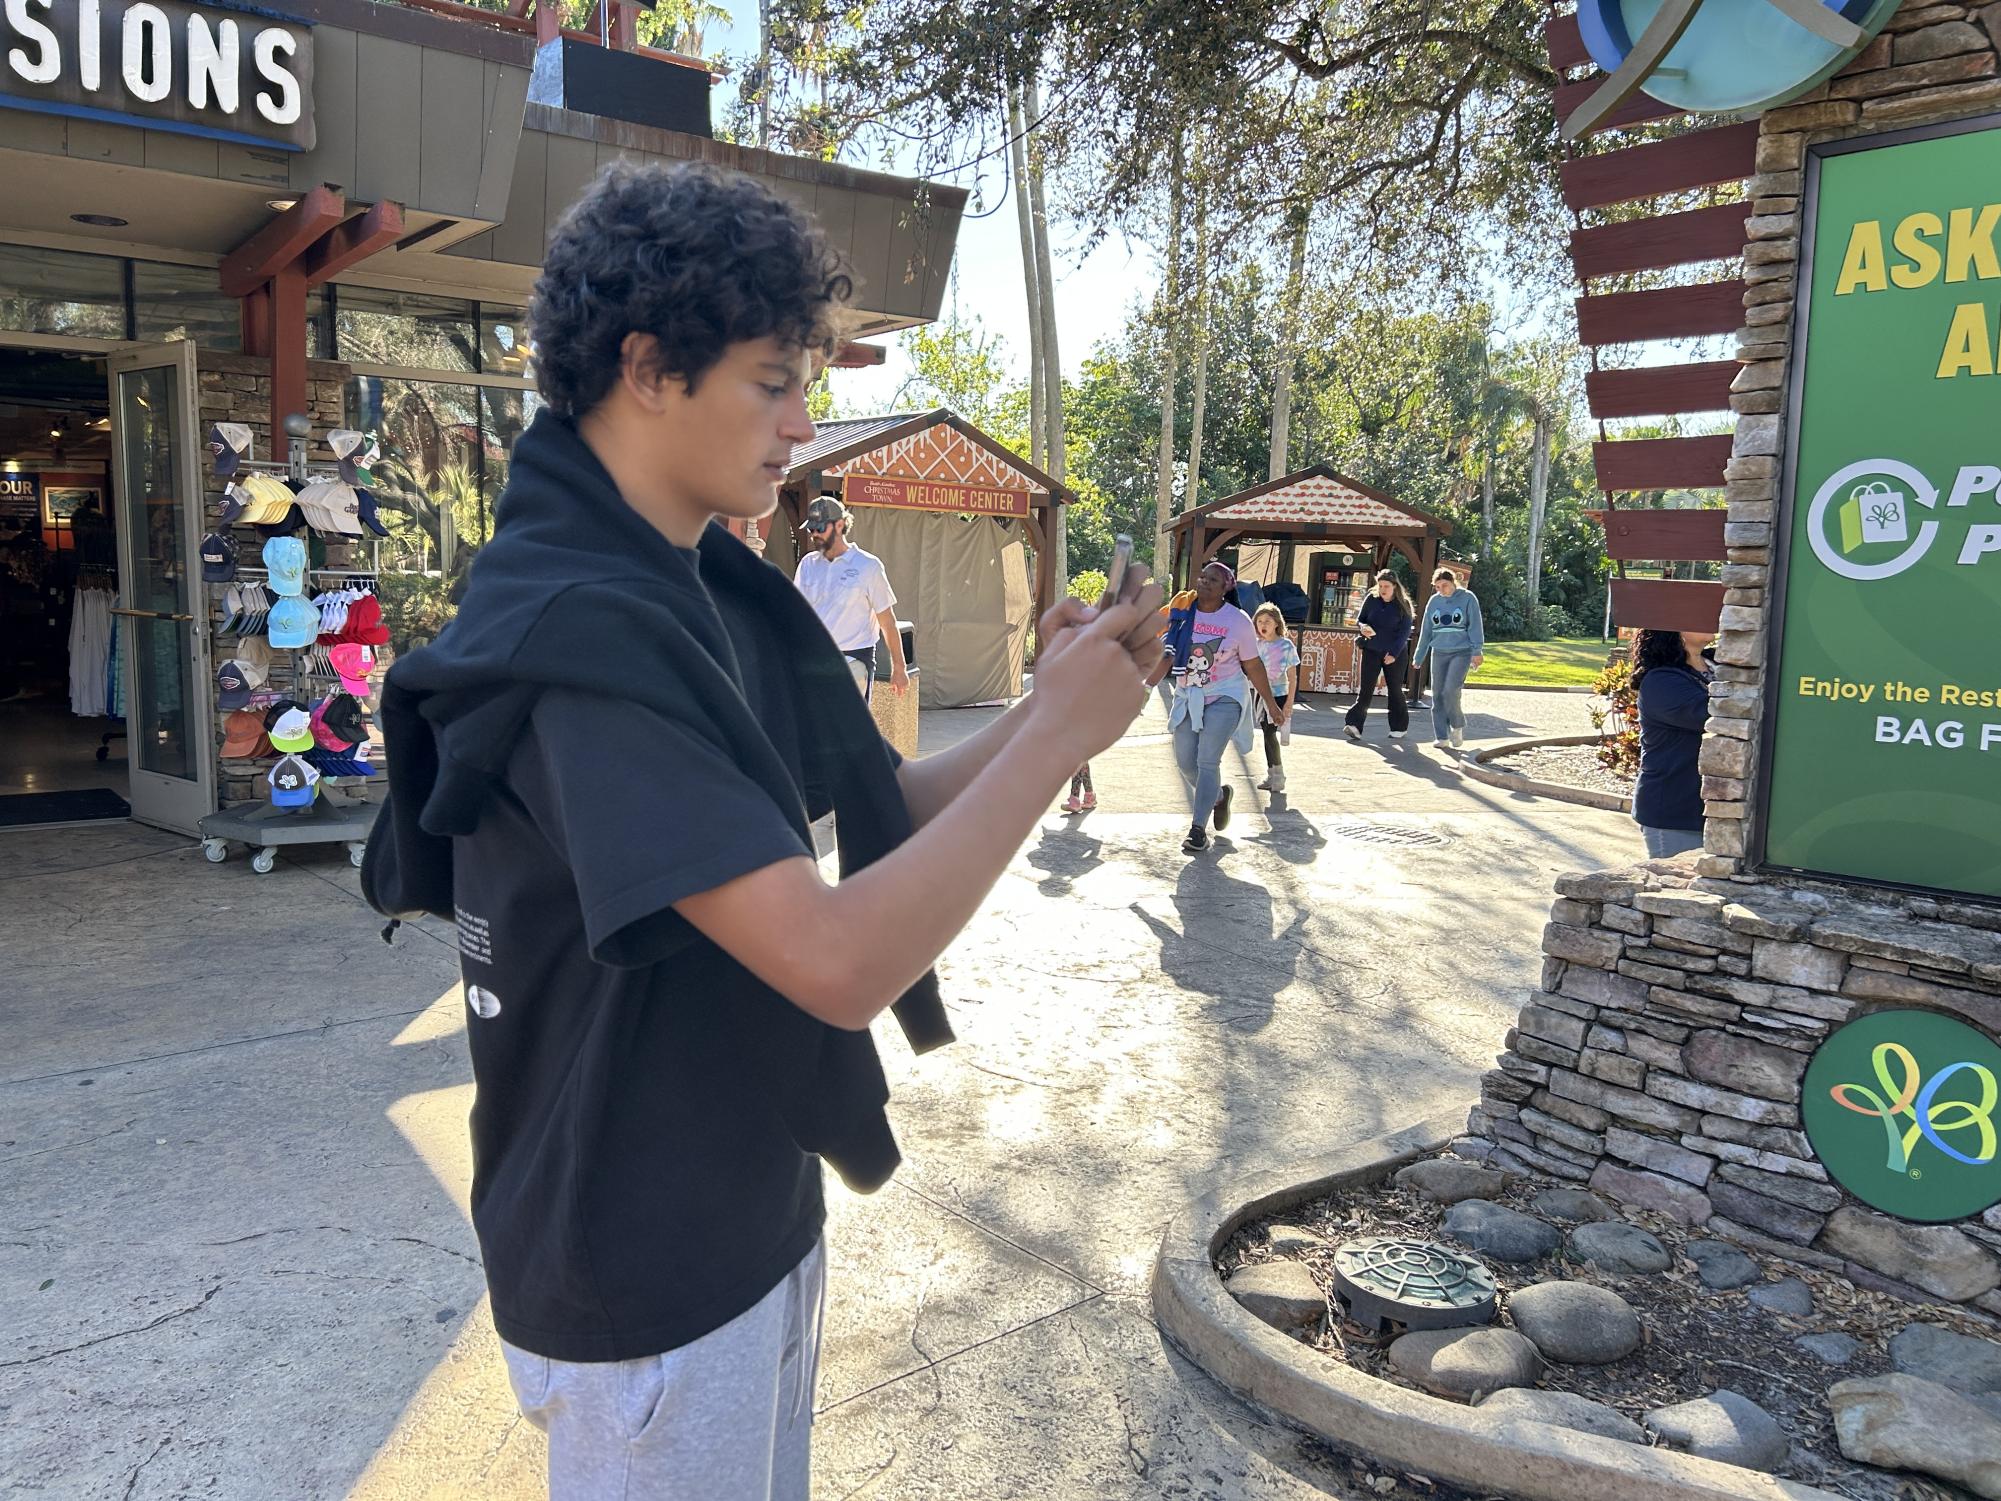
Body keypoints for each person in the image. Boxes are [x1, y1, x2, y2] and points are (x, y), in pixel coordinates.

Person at [359, 160, 1165, 1501]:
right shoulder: (582, 633)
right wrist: (1054, 745)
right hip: (644, 1259)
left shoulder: (691, 583)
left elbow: (853, 828)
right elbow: (837, 958)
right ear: (647, 368)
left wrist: (1043, 713)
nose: (804, 423)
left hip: (738, 1195)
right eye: (774, 380)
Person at [1161, 561, 1286, 853]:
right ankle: (1218, 796)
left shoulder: (1238, 620)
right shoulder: (1182, 610)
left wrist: (1271, 704)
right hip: (1188, 694)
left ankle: (1197, 830)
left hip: (1225, 696)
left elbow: (1252, 665)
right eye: (1202, 576)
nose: (1203, 582)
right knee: (1184, 761)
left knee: (1207, 760)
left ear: (1225, 588)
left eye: (1212, 579)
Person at [794, 494, 909, 699]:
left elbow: (887, 621)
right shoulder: (807, 565)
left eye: (820, 528)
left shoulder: (868, 566)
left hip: (853, 661)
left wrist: (899, 668)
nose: (814, 534)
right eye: (811, 529)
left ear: (839, 525)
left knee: (848, 728)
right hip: (814, 661)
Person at [1631, 627, 1715, 858]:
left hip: (1713, 811)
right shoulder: (1661, 682)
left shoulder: (1718, 666)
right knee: (1679, 891)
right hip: (1675, 812)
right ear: (1672, 628)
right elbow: (1712, 715)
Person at [1412, 567, 1484, 750]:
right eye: (1437, 587)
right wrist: (1419, 656)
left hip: (1462, 652)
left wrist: (1477, 651)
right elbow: (1426, 631)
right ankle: (1442, 736)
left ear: (1453, 583)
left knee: (1450, 690)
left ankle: (1457, 725)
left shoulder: (1468, 598)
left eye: (1444, 585)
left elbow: (1475, 625)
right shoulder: (1434, 601)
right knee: (1437, 694)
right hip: (1439, 652)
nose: (1441, 590)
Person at [1345, 570, 1413, 743]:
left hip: (1394, 653)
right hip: (1372, 650)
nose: (1383, 589)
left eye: (1386, 586)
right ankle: (1354, 725)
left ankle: (1399, 727)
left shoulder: (1403, 604)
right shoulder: (1372, 599)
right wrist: (1363, 627)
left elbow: (1404, 633)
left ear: (1394, 587)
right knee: (1366, 689)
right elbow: (1361, 619)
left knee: (1395, 689)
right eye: (1380, 585)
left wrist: (1393, 654)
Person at [1251, 602, 1300, 793]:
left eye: (1267, 621)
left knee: (1271, 734)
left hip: (1279, 694)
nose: (1263, 625)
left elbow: (1293, 677)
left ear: (1276, 624)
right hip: (1260, 695)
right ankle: (1272, 773)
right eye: (1260, 621)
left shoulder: (1285, 645)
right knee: (1266, 733)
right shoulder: (1256, 645)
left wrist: (1289, 703)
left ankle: (1279, 775)